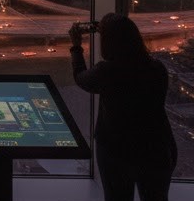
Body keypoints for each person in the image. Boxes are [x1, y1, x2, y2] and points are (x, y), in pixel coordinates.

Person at [70, 13, 176, 201]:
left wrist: (76, 47)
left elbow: (81, 78)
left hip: (116, 151)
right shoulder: (156, 68)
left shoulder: (108, 72)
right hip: (156, 146)